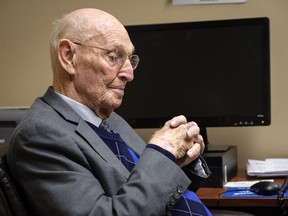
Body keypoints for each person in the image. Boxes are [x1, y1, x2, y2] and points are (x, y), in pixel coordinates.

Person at [6, 8, 212, 216]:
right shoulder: (40, 135)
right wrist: (162, 151)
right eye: (114, 56)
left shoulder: (110, 119)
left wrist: (176, 159)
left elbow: (148, 193)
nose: (129, 74)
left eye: (130, 60)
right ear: (68, 57)